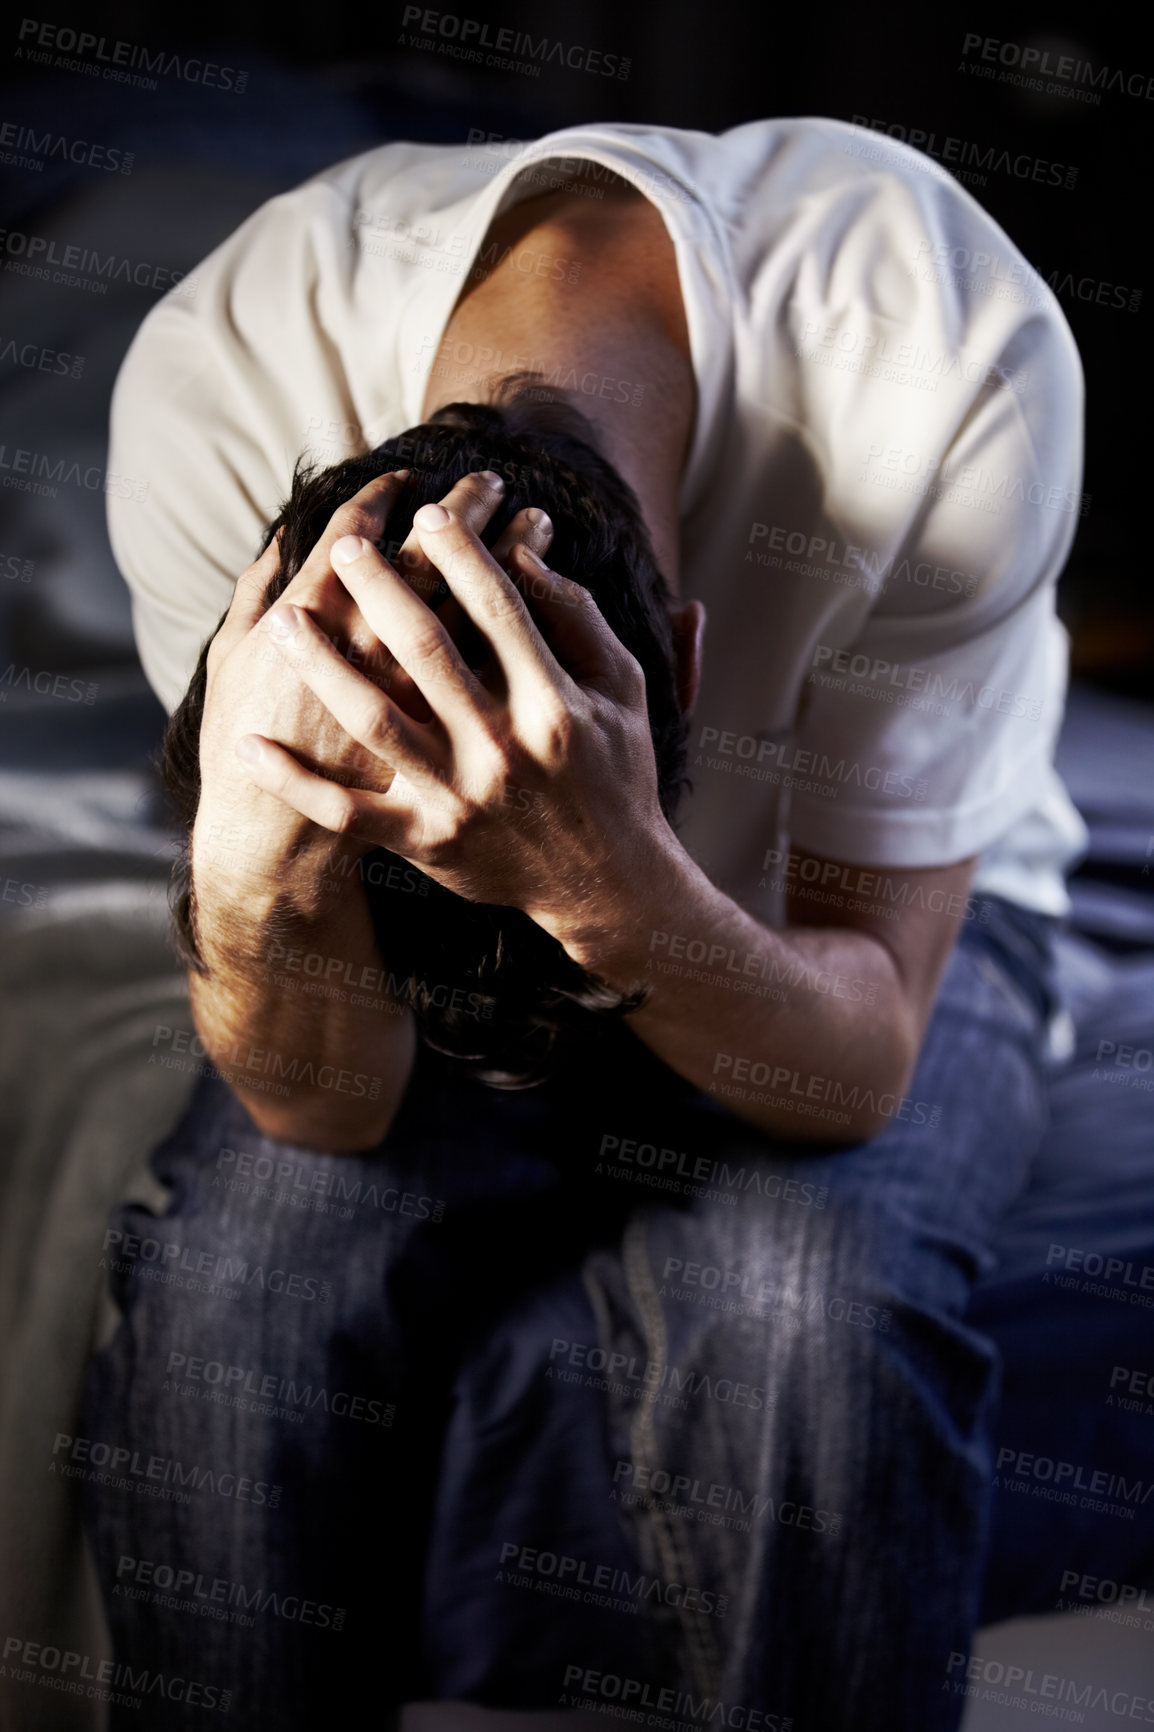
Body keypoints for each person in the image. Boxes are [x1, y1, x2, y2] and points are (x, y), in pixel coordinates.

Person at [82, 117, 1085, 1729]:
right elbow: (317, 1103)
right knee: (241, 1292)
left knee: (800, 1316)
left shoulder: (940, 354)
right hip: (418, 935)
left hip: (829, 921)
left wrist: (610, 886)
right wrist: (264, 857)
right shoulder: (218, 390)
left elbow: (862, 1052)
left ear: (687, 662)